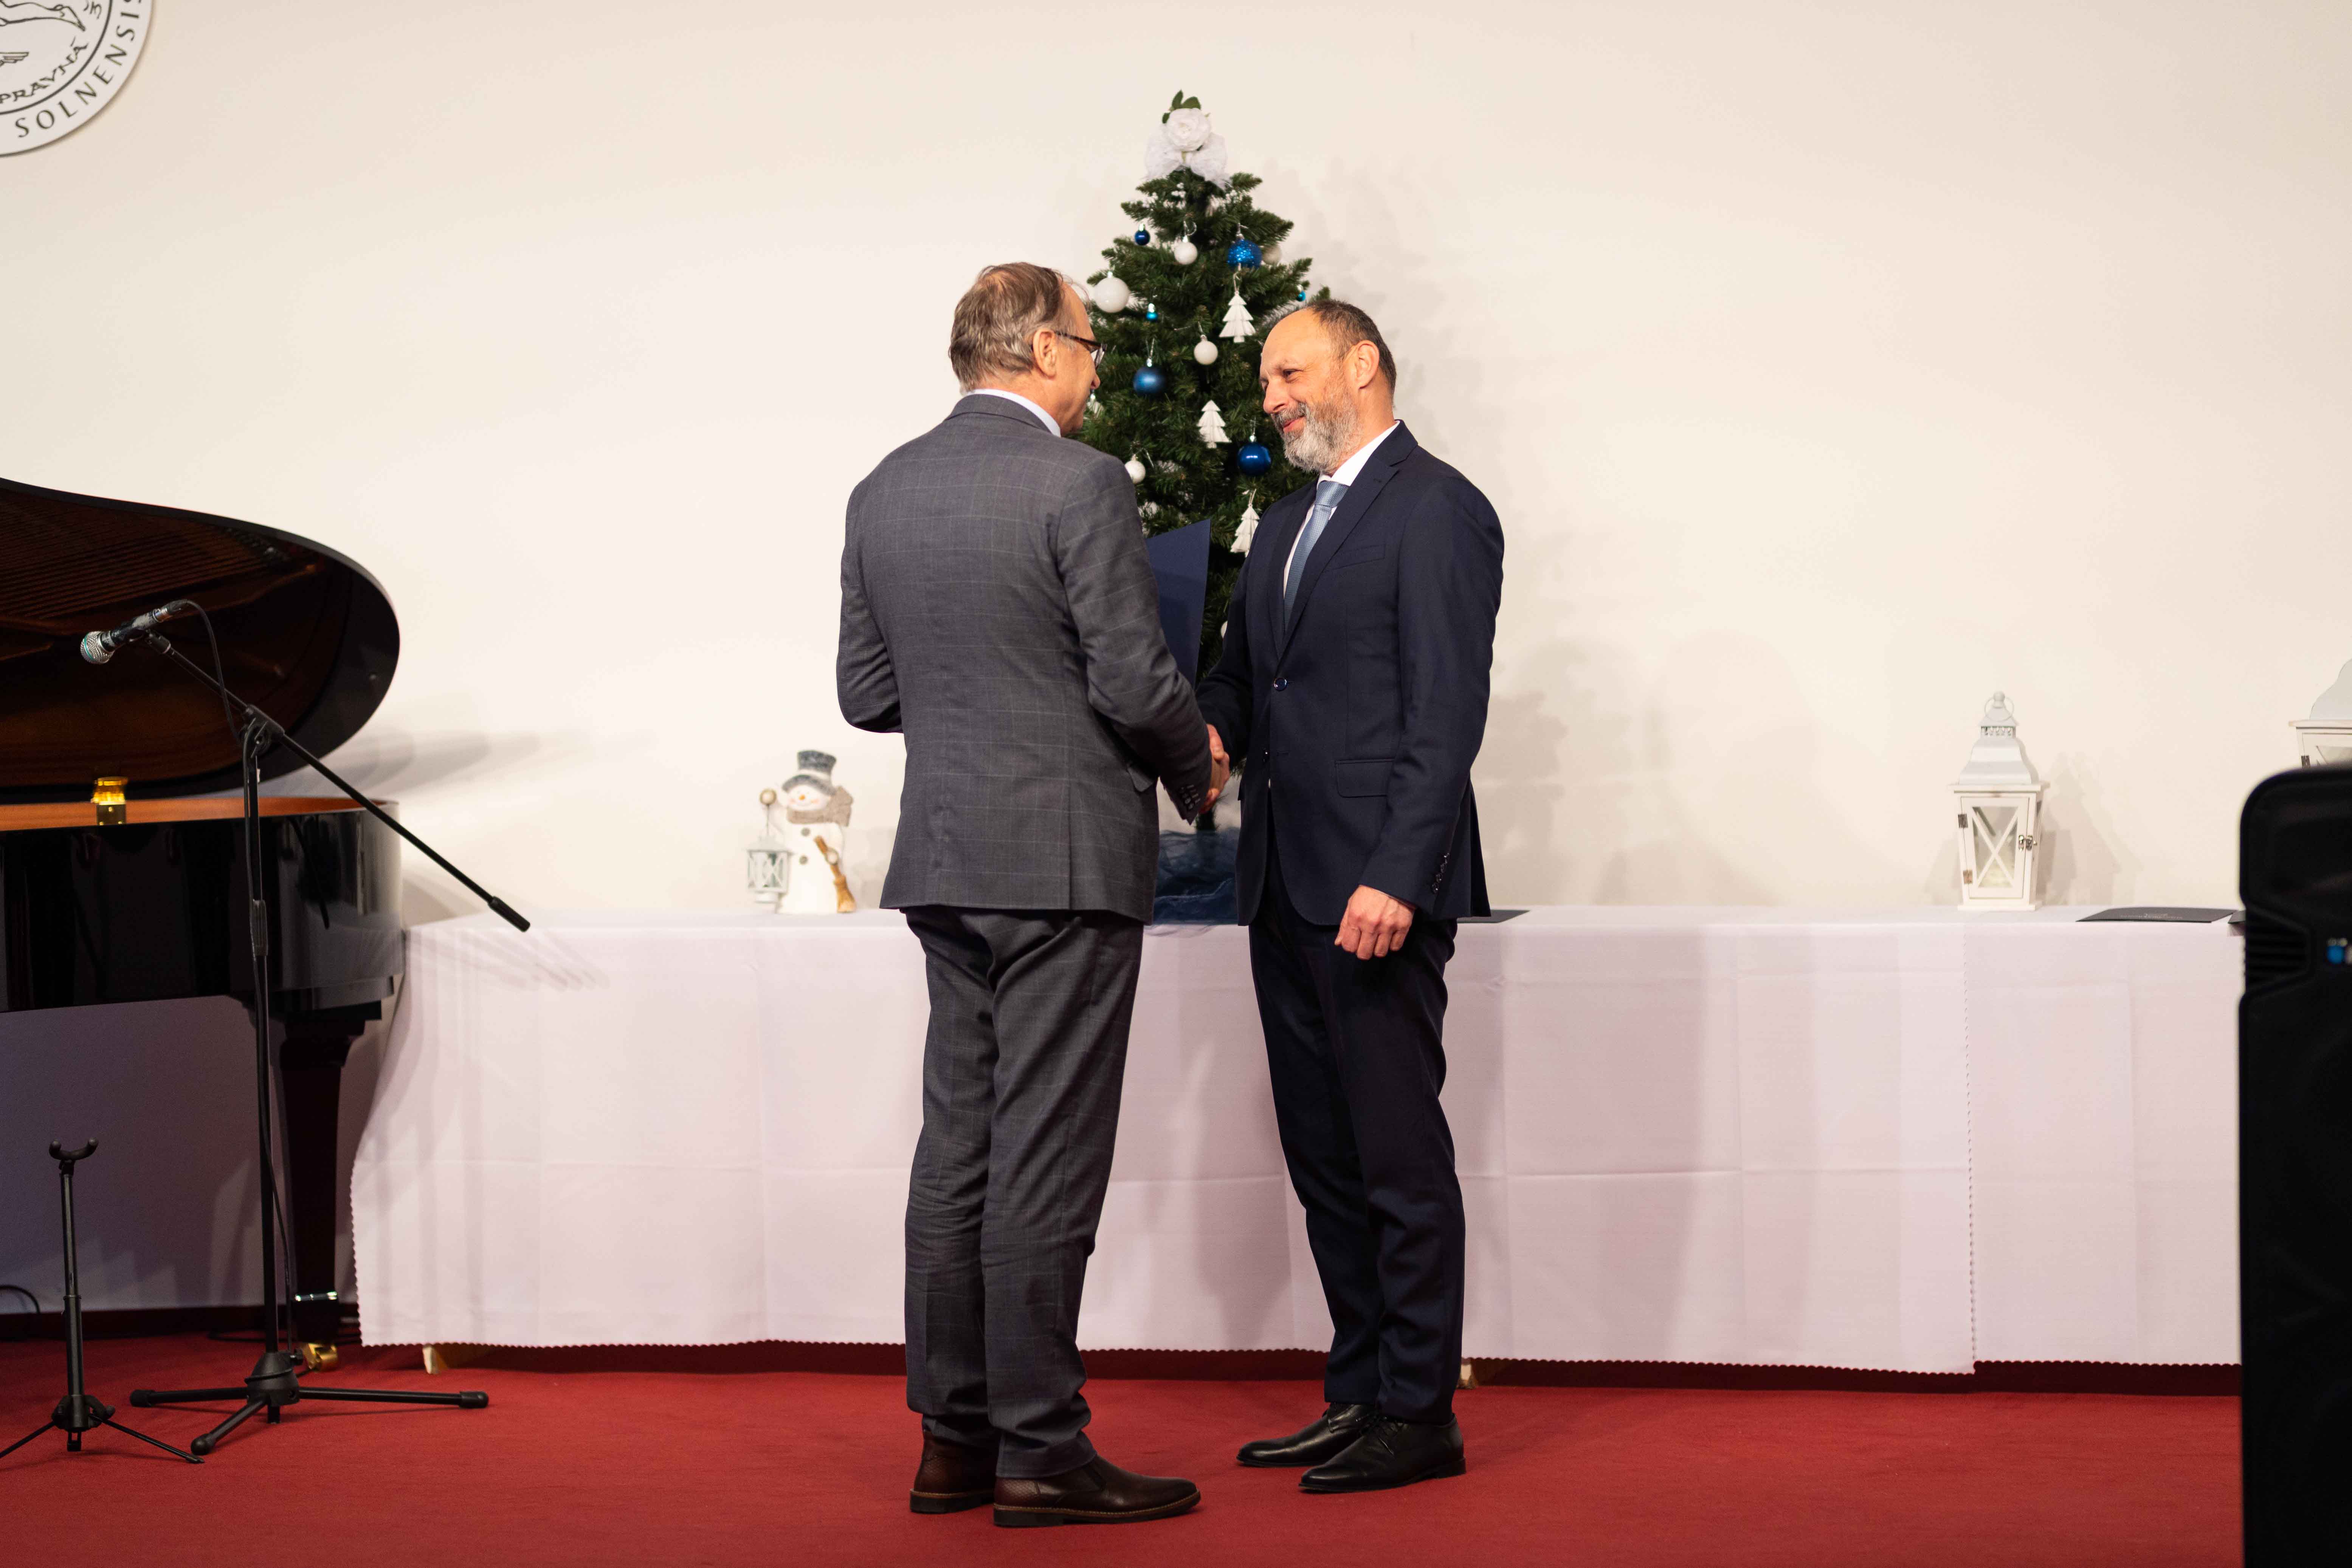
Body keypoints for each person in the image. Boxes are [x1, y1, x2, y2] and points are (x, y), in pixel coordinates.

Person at [837, 262, 1224, 1528]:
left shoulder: (884, 487)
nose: (1098, 370)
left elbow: (866, 693)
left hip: (947, 860)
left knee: (959, 1149)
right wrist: (1199, 759)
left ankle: (953, 1441)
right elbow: (1133, 677)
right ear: (1046, 351)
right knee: (1045, 1158)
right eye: (1093, 346)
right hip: (1062, 865)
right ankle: (1042, 1449)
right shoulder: (1079, 481)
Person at [1195, 299, 1504, 1494]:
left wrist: (1397, 871)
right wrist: (1210, 733)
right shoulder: (1283, 523)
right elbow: (1243, 676)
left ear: (1362, 362)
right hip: (1281, 886)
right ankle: (1361, 1391)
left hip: (1376, 891)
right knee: (1325, 1158)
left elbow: (1446, 713)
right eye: (1266, 381)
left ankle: (1420, 1412)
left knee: (1395, 1158)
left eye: (1289, 372)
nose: (1272, 398)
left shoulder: (1440, 508)